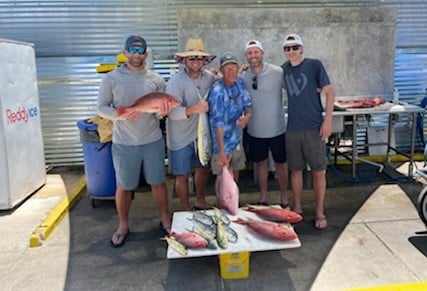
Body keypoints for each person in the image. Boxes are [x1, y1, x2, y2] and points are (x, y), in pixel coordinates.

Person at [97, 35, 173, 247]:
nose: (136, 55)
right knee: (124, 186)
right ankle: (123, 225)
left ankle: (165, 219)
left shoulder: (157, 79)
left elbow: (159, 113)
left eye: (141, 51)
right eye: (132, 50)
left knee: (158, 182)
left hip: (152, 140)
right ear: (125, 52)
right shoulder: (111, 78)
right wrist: (120, 115)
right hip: (124, 142)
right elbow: (101, 108)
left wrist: (163, 113)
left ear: (146, 54)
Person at [281, 33, 335, 230]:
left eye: (295, 47)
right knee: (295, 170)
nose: (291, 51)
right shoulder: (283, 70)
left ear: (302, 48)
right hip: (293, 129)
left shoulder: (314, 65)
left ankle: (320, 211)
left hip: (314, 128)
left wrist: (327, 120)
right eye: (287, 48)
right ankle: (297, 207)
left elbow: (330, 92)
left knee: (318, 171)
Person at [166, 38, 217, 211]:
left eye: (199, 58)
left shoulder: (210, 78)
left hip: (202, 135)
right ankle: (186, 208)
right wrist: (194, 109)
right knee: (182, 174)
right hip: (180, 137)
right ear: (185, 60)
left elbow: (224, 83)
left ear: (204, 60)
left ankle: (200, 200)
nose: (195, 61)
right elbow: (171, 113)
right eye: (192, 58)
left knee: (203, 169)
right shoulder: (175, 82)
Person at [241, 40, 289, 208]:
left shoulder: (278, 72)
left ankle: (284, 196)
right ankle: (263, 196)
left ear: (262, 53)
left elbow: (293, 88)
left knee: (281, 164)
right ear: (246, 56)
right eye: (249, 53)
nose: (253, 56)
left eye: (256, 52)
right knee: (260, 163)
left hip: (277, 129)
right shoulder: (243, 76)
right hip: (255, 130)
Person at [208, 52, 252, 182]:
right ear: (221, 71)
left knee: (235, 180)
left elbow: (248, 106)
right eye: (227, 68)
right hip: (221, 145)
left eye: (233, 68)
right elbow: (218, 123)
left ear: (238, 69)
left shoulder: (240, 83)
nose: (231, 71)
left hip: (237, 141)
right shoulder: (217, 91)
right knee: (223, 184)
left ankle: (233, 203)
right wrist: (221, 152)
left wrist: (247, 118)